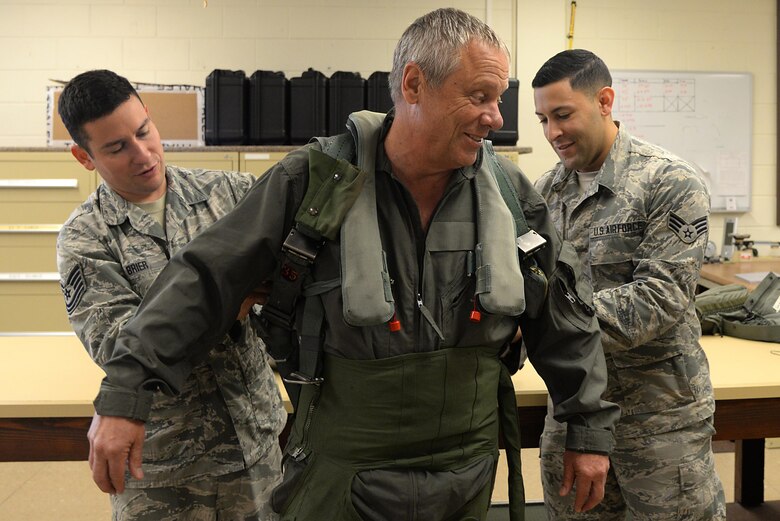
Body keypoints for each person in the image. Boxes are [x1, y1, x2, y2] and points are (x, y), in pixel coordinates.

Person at [84, 10, 620, 521]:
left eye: (498, 99)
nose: (496, 118)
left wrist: (587, 426)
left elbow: (560, 316)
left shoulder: (507, 193)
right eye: (479, 96)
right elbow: (205, 279)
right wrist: (127, 392)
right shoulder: (313, 183)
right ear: (413, 85)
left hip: (469, 461)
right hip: (345, 461)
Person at [56, 70, 286, 521]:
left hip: (256, 447)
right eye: (117, 147)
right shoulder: (86, 238)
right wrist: (231, 302)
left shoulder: (231, 195)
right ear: (84, 157)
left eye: (144, 132)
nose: (143, 154)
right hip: (164, 473)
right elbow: (121, 350)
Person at [532, 49, 727, 520]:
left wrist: (547, 321)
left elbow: (659, 299)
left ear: (604, 101)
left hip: (659, 422)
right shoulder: (544, 194)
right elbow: (528, 284)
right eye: (542, 119)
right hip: (574, 416)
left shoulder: (668, 182)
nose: (552, 133)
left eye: (562, 115)